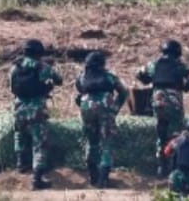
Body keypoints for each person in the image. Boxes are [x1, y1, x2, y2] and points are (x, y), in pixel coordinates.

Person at [137, 39, 189, 178]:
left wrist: (150, 81)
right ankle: (174, 167)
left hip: (158, 102)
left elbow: (140, 74)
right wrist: (184, 87)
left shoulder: (154, 64)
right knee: (176, 134)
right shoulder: (181, 66)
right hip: (174, 102)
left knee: (161, 133)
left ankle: (161, 167)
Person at [9, 39, 63, 189]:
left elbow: (12, 88)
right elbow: (59, 80)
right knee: (39, 142)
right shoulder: (43, 67)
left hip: (19, 106)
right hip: (37, 107)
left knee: (19, 134)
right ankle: (37, 178)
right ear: (39, 53)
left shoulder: (15, 67)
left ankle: (21, 164)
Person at [75, 51, 130, 187]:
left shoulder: (82, 77)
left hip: (86, 108)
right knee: (106, 143)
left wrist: (83, 107)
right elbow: (123, 92)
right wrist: (115, 108)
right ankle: (103, 179)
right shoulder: (109, 76)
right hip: (105, 109)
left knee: (91, 142)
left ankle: (93, 176)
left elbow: (79, 94)